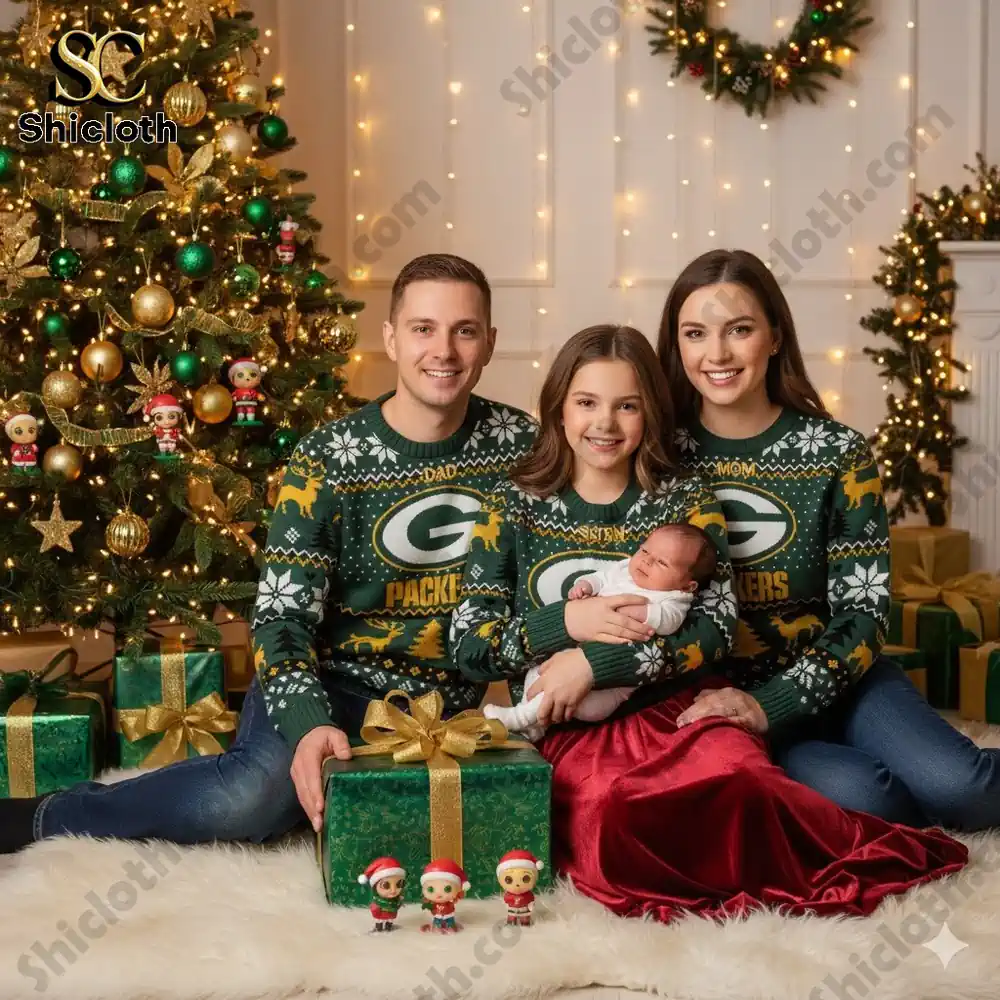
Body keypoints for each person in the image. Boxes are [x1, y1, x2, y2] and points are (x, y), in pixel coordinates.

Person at [0, 252, 567, 854]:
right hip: (330, 685)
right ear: (392, 339)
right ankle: (48, 818)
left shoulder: (522, 451)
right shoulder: (330, 456)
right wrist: (308, 725)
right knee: (250, 798)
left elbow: (550, 572)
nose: (444, 351)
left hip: (443, 705)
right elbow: (281, 617)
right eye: (423, 328)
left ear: (489, 342)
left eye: (465, 330)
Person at [451, 323, 967, 922]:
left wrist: (597, 660)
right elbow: (472, 648)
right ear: (558, 408)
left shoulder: (684, 498)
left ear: (652, 413)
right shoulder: (509, 504)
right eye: (586, 402)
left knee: (743, 779)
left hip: (679, 709)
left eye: (628, 406)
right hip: (568, 723)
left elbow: (713, 630)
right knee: (613, 810)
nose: (605, 424)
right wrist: (565, 621)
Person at [653, 247, 1000, 831]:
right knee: (870, 802)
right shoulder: (660, 457)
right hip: (726, 707)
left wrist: (775, 701)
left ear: (775, 337)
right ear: (677, 345)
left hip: (847, 682)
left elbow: (865, 613)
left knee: (957, 787)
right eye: (695, 334)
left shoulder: (837, 452)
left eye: (739, 329)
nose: (716, 354)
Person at [484, 523, 717, 739]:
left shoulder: (674, 598)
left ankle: (518, 718)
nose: (646, 561)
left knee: (555, 688)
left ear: (688, 585)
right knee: (538, 673)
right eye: (645, 551)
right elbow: (601, 578)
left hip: (605, 689)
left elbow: (669, 622)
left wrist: (635, 612)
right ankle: (535, 728)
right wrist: (586, 586)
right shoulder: (625, 570)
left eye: (662, 563)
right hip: (570, 660)